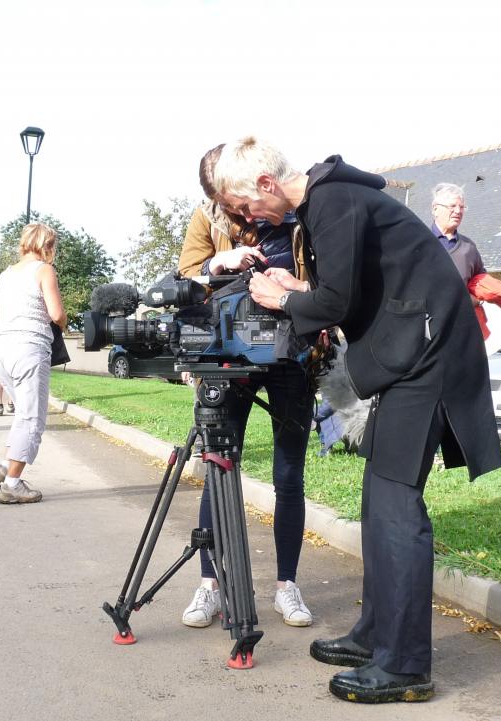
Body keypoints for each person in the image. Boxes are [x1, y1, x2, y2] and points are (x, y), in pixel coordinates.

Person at [219, 136, 501, 703]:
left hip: (429, 358)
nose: (249, 218)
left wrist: (281, 300)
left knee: (397, 507)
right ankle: (377, 636)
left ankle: (405, 667)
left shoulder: (331, 202)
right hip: (413, 353)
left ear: (268, 185)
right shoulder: (329, 202)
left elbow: (335, 305)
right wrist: (300, 290)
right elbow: (344, 292)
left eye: (248, 206)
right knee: (379, 498)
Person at [176, 144, 315, 629]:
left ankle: (287, 586)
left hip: (291, 350)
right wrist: (220, 263)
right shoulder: (207, 218)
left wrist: (293, 287)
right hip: (226, 351)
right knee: (219, 466)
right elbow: (185, 280)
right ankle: (210, 584)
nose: (236, 207)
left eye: (236, 195)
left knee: (288, 473)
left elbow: (325, 278)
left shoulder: (298, 209)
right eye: (224, 199)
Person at [0, 223, 66, 505]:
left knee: (22, 412)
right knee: (32, 418)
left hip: (2, 349)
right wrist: (64, 321)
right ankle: (12, 485)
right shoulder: (44, 270)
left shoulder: (6, 274)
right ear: (47, 245)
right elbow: (56, 313)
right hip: (28, 348)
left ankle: (6, 467)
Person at [429, 183, 501, 338]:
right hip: (428, 325)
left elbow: (481, 281)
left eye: (461, 207)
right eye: (452, 206)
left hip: (461, 326)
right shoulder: (421, 242)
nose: (458, 211)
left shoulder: (468, 247)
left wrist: (475, 299)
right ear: (435, 208)